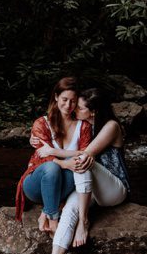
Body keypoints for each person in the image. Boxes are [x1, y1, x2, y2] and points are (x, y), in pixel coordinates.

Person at [42, 88, 130, 254]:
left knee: (82, 160)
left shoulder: (111, 126)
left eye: (79, 107)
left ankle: (84, 222)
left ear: (93, 112)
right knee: (69, 210)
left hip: (114, 189)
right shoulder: (84, 127)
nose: (74, 109)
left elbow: (85, 154)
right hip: (90, 188)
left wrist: (51, 154)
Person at [15, 77, 91, 234]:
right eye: (64, 99)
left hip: (65, 184)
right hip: (36, 185)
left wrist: (73, 159)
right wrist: (64, 163)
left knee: (81, 167)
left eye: (73, 101)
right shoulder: (41, 123)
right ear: (56, 97)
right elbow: (44, 157)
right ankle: (54, 221)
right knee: (51, 167)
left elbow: (85, 154)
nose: (68, 105)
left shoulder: (83, 126)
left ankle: (47, 210)